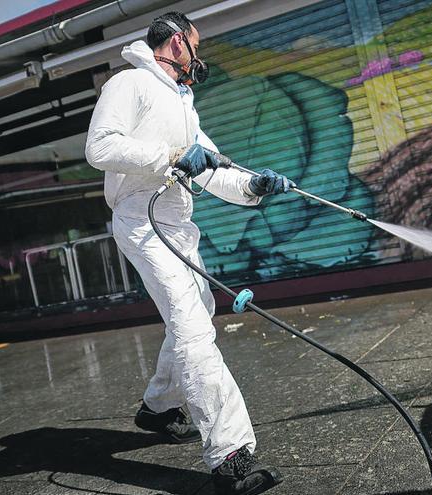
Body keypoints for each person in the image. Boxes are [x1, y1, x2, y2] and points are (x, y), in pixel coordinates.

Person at [84, 11, 291, 495]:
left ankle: (157, 409)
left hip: (176, 223)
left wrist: (256, 185)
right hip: (141, 219)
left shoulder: (182, 104)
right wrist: (171, 158)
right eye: (196, 44)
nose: (200, 54)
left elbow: (213, 169)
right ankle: (230, 457)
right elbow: (99, 147)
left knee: (198, 309)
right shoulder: (131, 82)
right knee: (192, 326)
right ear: (178, 43)